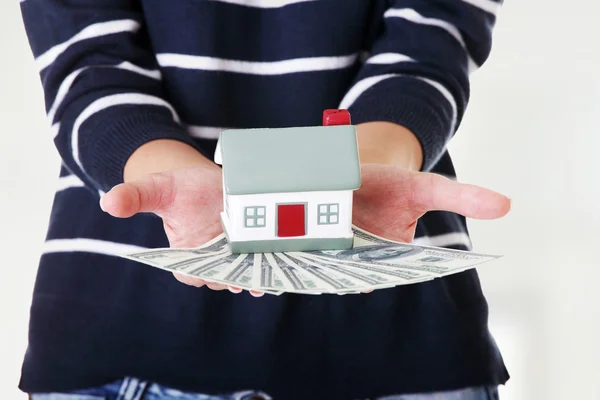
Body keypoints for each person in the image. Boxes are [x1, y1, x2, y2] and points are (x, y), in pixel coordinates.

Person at [19, 1, 510, 399]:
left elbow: (427, 54)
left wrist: (349, 172)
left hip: (402, 347)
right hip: (119, 333)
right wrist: (169, 176)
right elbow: (86, 65)